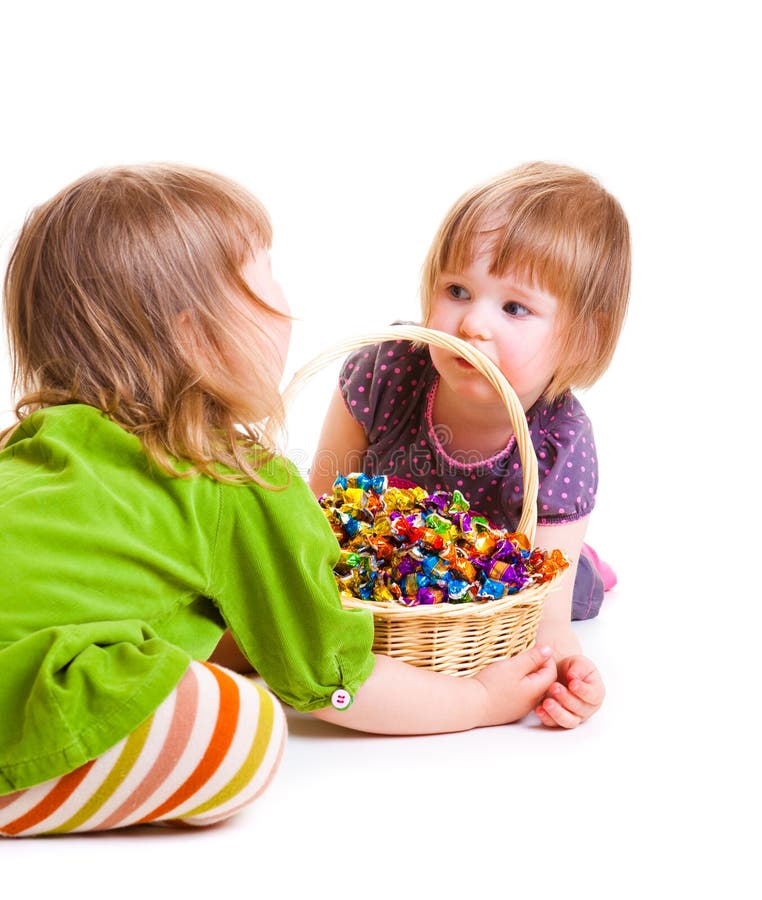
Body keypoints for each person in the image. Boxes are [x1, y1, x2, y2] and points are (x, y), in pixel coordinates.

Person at [0, 164, 559, 838]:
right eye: (267, 284)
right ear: (199, 337)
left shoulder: (28, 441)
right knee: (250, 730)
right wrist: (473, 699)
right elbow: (330, 676)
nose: (287, 307)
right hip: (28, 698)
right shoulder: (235, 476)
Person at [310, 162, 631, 729]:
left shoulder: (558, 441)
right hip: (390, 570)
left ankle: (587, 563)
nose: (473, 323)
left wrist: (565, 674)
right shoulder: (386, 372)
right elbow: (316, 509)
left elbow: (545, 619)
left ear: (582, 336)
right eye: (457, 290)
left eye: (514, 308)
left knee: (572, 586)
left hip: (499, 576)